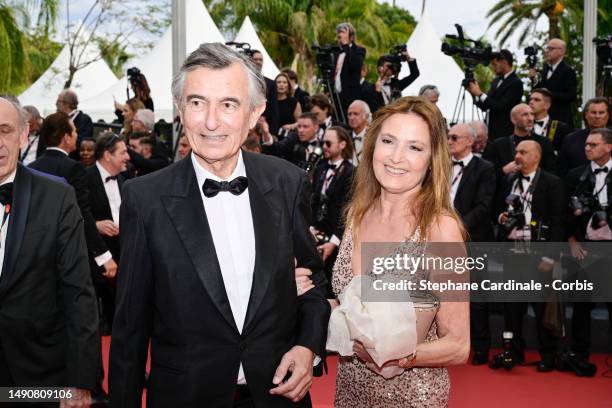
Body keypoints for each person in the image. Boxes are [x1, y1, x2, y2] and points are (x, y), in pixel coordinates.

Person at [109, 42, 330, 407]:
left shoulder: (287, 183)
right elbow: (130, 328)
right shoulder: (144, 198)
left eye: (228, 104)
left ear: (255, 111)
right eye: (197, 103)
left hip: (276, 396)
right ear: (180, 109)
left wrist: (308, 347)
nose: (211, 122)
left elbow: (314, 283)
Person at [330, 96, 469, 407]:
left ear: (432, 159)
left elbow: (458, 345)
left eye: (414, 147)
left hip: (411, 396)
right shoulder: (356, 214)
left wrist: (398, 354)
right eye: (388, 141)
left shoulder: (440, 229)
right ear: (372, 146)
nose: (396, 157)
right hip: (349, 390)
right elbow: (346, 303)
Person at [0, 97, 99, 407]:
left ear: (23, 135)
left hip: (38, 377)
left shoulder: (57, 197)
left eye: (4, 130)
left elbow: (79, 293)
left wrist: (80, 381)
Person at [493, 140, 564, 372]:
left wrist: (551, 257)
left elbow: (558, 223)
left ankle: (548, 354)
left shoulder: (552, 182)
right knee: (512, 307)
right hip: (513, 252)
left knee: (542, 306)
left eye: (523, 152)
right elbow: (497, 209)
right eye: (516, 151)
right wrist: (502, 217)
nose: (517, 155)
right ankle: (514, 351)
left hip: (539, 254)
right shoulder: (509, 180)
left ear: (536, 157)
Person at [563, 127, 612, 377]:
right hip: (585, 249)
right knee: (581, 307)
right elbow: (564, 214)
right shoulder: (575, 175)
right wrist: (572, 241)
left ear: (608, 146)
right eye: (587, 144)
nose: (587, 148)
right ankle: (579, 355)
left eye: (593, 144)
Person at [447, 123, 496, 365]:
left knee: (476, 296)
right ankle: (444, 343)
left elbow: (484, 207)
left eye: (454, 137)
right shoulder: (441, 167)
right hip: (439, 240)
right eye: (448, 137)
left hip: (473, 240)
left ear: (469, 141)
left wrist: (455, 229)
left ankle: (480, 347)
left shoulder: (484, 168)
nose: (449, 141)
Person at [311, 126, 355, 298]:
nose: (324, 147)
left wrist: (333, 242)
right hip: (315, 236)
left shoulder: (351, 172)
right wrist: (311, 227)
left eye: (329, 143)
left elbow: (348, 211)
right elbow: (313, 201)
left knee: (331, 292)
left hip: (337, 241)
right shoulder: (320, 168)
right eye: (322, 143)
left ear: (342, 144)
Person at [483, 103, 556, 180]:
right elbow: (485, 175)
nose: (530, 119)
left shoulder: (544, 143)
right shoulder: (497, 145)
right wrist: (504, 170)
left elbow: (552, 173)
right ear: (513, 119)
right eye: (525, 115)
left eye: (532, 114)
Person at [468, 50, 523, 140]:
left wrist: (479, 93)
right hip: (489, 132)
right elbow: (485, 106)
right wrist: (474, 94)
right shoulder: (496, 81)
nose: (492, 67)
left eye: (494, 64)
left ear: (504, 63)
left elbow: (500, 106)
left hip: (505, 134)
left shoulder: (516, 83)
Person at [529, 38, 577, 127]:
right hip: (544, 118)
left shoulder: (567, 71)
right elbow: (539, 90)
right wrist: (534, 79)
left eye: (551, 49)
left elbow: (571, 95)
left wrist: (547, 95)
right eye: (547, 48)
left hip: (561, 119)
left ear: (561, 51)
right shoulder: (546, 69)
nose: (547, 51)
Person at [557, 97, 610, 176]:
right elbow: (561, 172)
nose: (597, 116)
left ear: (608, 115)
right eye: (593, 112)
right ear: (586, 115)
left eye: (601, 112)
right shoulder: (570, 140)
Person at [335, 22, 367, 115]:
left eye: (343, 32)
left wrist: (346, 45)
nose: (340, 34)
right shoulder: (336, 51)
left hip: (350, 96)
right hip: (335, 95)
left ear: (351, 37)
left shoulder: (359, 50)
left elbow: (356, 66)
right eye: (339, 32)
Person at [251, 50, 280, 135]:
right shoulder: (242, 81)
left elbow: (274, 109)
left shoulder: (271, 84)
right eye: (255, 59)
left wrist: (273, 133)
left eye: (260, 60)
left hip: (263, 129)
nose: (258, 62)